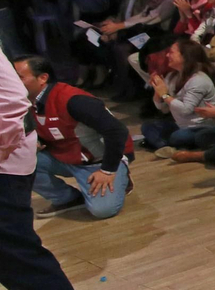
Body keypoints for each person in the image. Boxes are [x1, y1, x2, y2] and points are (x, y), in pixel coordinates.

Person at [0, 34, 117, 290]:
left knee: (20, 258)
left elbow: (11, 101)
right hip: (4, 160)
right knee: (4, 259)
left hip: (2, 166)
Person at [15, 55, 134, 219]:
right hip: (66, 156)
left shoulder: (74, 100)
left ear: (42, 78)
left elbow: (118, 131)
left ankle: (121, 175)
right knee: (16, 163)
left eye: (19, 77)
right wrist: (39, 142)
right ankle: (68, 199)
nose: (12, 81)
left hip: (99, 161)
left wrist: (108, 170)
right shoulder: (26, 101)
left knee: (102, 210)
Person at [141, 38, 215, 153]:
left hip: (203, 127)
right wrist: (157, 91)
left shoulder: (199, 79)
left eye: (171, 52)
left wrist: (165, 95)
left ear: (185, 57)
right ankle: (169, 147)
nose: (167, 55)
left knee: (178, 136)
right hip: (181, 125)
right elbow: (163, 109)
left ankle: (167, 145)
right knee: (148, 126)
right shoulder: (172, 76)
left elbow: (185, 110)